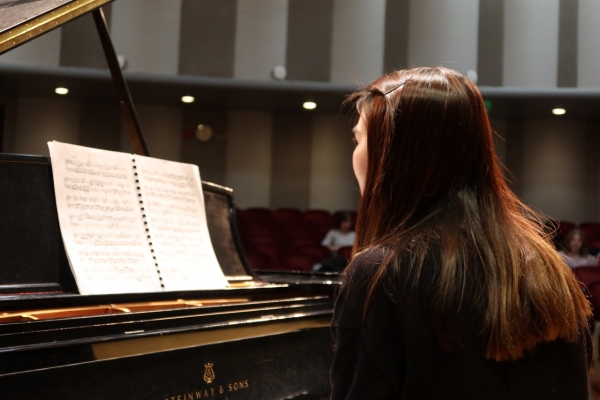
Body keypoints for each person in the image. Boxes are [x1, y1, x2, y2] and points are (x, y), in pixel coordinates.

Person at [331, 67, 592, 399]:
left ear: (392, 154)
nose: (355, 153)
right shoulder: (552, 271)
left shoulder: (381, 275)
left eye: (359, 138)